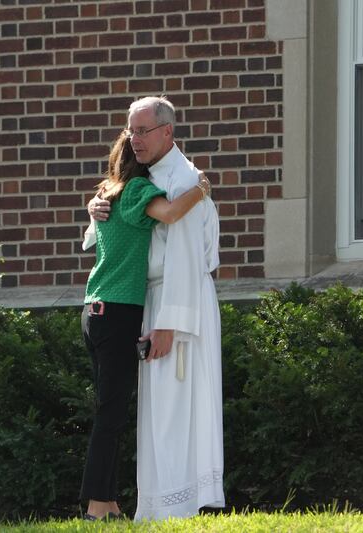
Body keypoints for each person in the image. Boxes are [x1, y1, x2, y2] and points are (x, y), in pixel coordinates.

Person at [88, 96, 224, 521]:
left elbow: (183, 254)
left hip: (175, 306)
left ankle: (177, 504)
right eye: (131, 130)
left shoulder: (182, 178)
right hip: (143, 302)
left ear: (168, 132)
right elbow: (99, 234)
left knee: (172, 410)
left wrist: (168, 324)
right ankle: (147, 504)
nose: (134, 139)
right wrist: (92, 207)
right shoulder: (146, 177)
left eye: (143, 130)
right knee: (153, 410)